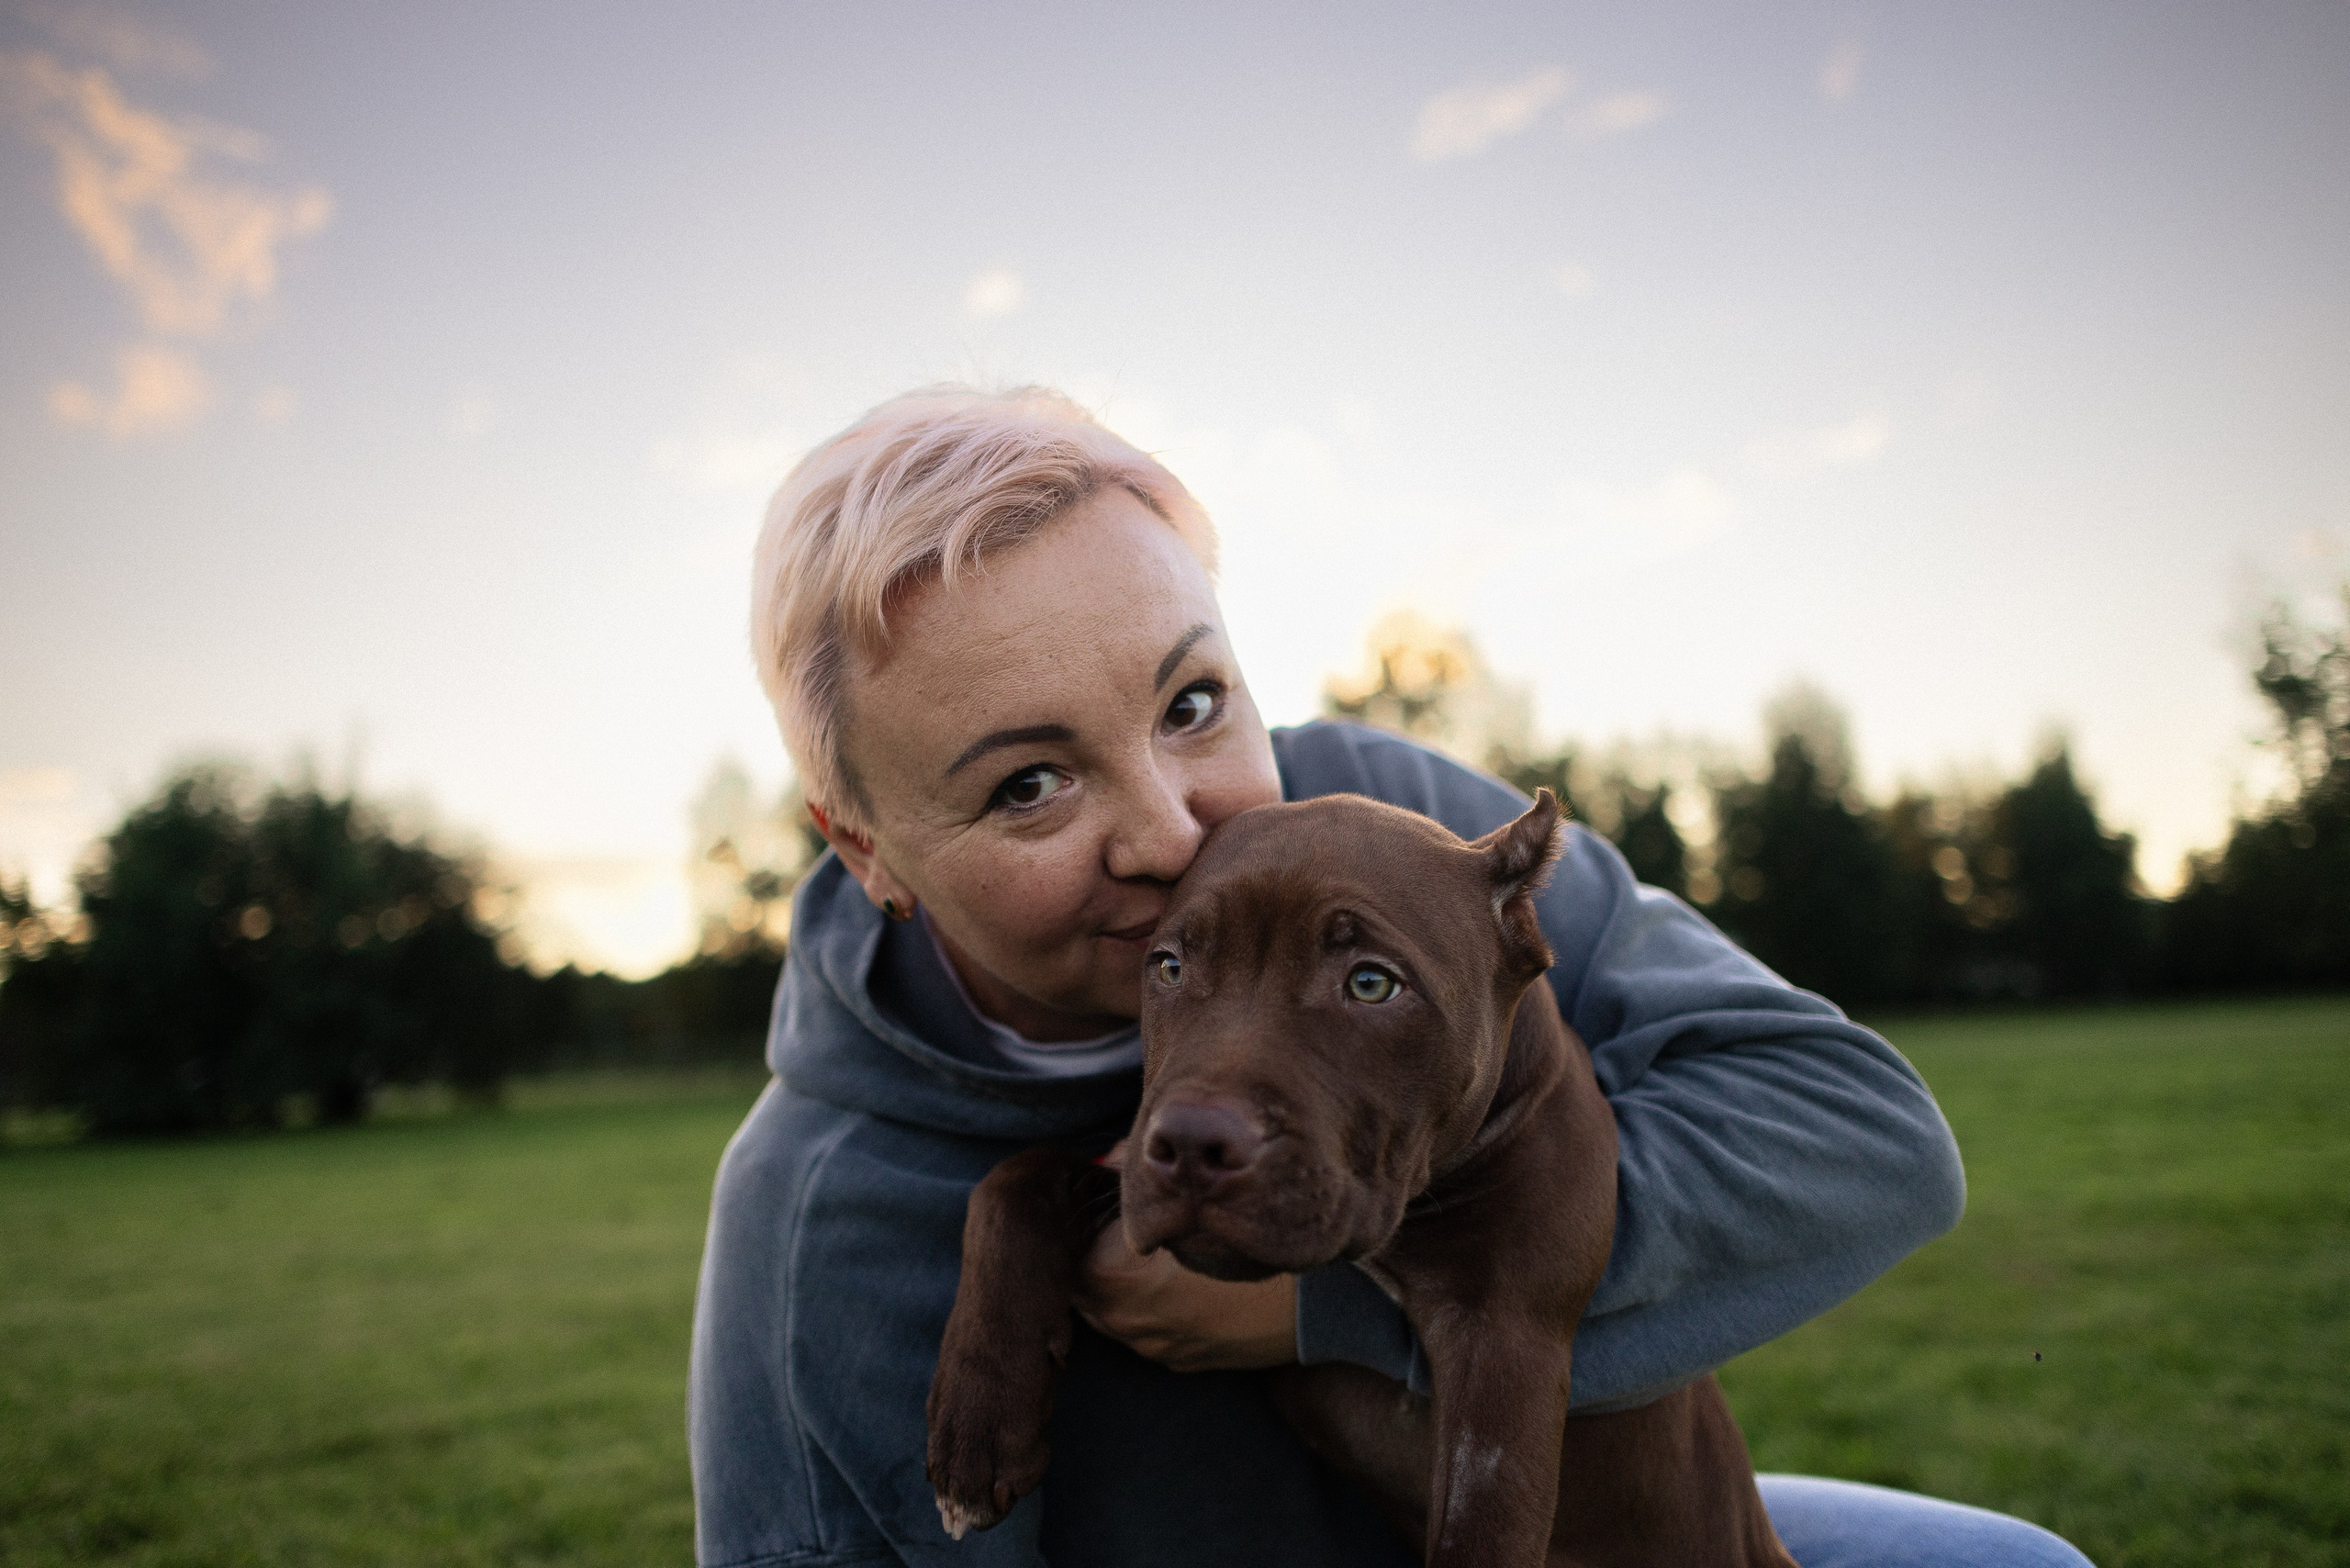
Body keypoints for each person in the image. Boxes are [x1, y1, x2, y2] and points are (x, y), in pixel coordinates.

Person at [689, 386, 2092, 1568]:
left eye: (1192, 704)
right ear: (866, 849)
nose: (1177, 833)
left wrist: (1322, 1306)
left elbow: (1868, 1138)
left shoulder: (1392, 833)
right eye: (1030, 784)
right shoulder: (828, 1226)